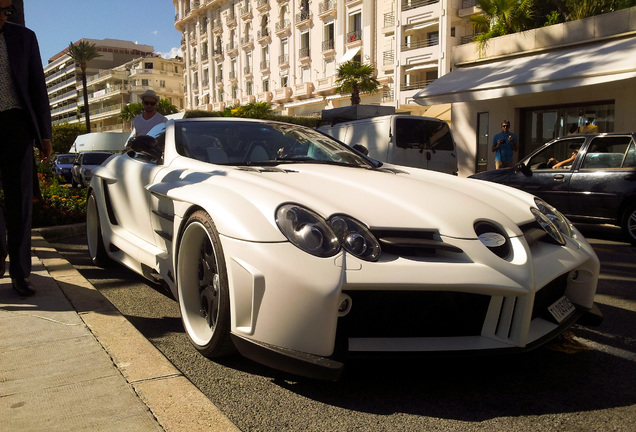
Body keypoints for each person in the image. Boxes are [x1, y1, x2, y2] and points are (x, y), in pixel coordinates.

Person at [0, 0, 52, 296]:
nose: (4, 16)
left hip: (17, 127)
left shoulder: (24, 37)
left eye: (7, 11)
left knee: (20, 203)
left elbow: (37, 87)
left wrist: (44, 134)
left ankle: (20, 274)